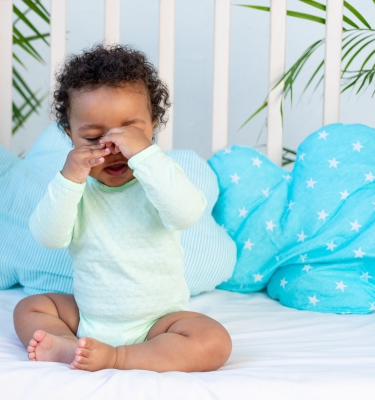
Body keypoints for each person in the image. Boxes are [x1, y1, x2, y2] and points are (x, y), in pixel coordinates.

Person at [12, 44, 232, 372]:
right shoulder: (73, 189)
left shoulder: (160, 178)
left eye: (130, 133)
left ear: (153, 126)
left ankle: (119, 357)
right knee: (30, 307)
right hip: (89, 316)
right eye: (92, 137)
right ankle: (67, 344)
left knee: (214, 341)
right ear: (70, 134)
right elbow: (48, 237)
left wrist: (145, 156)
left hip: (158, 323)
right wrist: (69, 178)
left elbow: (186, 214)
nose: (114, 149)